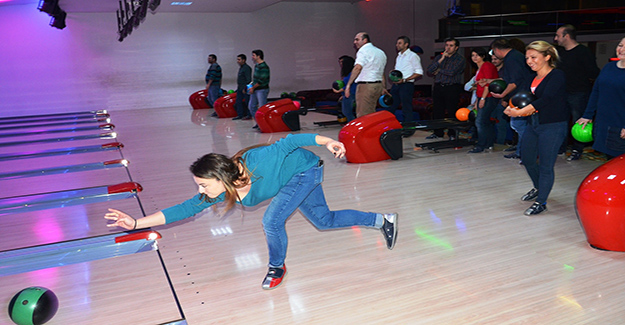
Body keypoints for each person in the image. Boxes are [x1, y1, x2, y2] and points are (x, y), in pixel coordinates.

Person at [104, 133, 399, 290]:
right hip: (293, 180)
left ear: (221, 178)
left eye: (203, 185)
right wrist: (136, 224)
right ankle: (383, 220)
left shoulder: (258, 160)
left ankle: (276, 266)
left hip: (306, 170)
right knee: (324, 220)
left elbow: (293, 141)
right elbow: (184, 209)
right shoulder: (221, 190)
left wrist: (329, 142)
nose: (201, 191)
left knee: (272, 220)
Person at [504, 41, 567, 215]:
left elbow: (545, 99)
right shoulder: (534, 78)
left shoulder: (557, 75)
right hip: (535, 124)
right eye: (527, 58)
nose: (529, 61)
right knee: (528, 158)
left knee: (546, 165)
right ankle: (539, 188)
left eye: (533, 57)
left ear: (547, 57)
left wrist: (521, 112)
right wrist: (513, 108)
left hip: (553, 126)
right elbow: (527, 100)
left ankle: (541, 202)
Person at [554, 24, 601, 161]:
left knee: (578, 121)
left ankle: (577, 149)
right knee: (561, 121)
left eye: (558, 35)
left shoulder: (583, 52)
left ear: (566, 36)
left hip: (579, 93)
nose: (555, 38)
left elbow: (593, 72)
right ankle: (560, 148)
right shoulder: (560, 53)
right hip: (562, 93)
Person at [576, 36, 625, 159]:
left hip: (620, 125)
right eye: (620, 45)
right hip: (604, 123)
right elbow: (596, 91)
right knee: (609, 160)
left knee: (618, 162)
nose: (622, 49)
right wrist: (587, 115)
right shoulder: (609, 67)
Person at [490, 38, 532, 160]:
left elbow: (514, 81)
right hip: (521, 95)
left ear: (496, 50)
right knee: (518, 125)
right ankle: (521, 151)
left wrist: (503, 95)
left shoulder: (512, 59)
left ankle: (524, 152)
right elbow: (510, 79)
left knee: (519, 125)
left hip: (521, 97)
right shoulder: (514, 56)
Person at [426, 37, 466, 139]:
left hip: (452, 87)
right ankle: (437, 132)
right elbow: (430, 70)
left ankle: (452, 133)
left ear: (456, 47)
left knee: (452, 111)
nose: (448, 48)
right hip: (439, 86)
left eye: (451, 46)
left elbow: (452, 72)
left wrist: (438, 70)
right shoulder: (439, 57)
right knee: (437, 111)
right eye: (447, 45)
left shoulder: (460, 59)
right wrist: (441, 60)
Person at [344, 32, 388, 118]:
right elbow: (381, 72)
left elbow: (357, 68)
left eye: (357, 39)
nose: (354, 42)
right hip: (377, 86)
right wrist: (383, 87)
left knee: (363, 115)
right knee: (371, 113)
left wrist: (348, 85)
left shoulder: (363, 51)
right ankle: (374, 131)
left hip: (366, 86)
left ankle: (368, 132)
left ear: (365, 40)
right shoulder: (380, 52)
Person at [468, 47, 499, 153]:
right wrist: (477, 101)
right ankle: (488, 144)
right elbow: (480, 86)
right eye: (473, 55)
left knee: (480, 122)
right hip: (483, 97)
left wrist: (483, 99)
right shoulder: (479, 68)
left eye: (477, 55)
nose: (474, 57)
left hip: (488, 97)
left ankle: (481, 145)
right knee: (485, 122)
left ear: (483, 56)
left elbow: (488, 84)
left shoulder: (487, 66)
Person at [387, 36, 423, 123]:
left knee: (406, 108)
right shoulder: (398, 56)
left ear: (406, 44)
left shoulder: (413, 56)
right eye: (397, 43)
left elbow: (419, 72)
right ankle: (389, 126)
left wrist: (405, 80)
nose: (397, 45)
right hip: (396, 85)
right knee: (391, 106)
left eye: (399, 43)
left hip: (406, 85)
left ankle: (408, 130)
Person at [490, 54, 511, 145]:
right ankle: (492, 142)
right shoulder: (491, 70)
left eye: (496, 59)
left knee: (501, 124)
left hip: (501, 101)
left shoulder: (506, 72)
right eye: (492, 59)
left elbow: (511, 86)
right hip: (491, 100)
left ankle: (500, 143)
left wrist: (506, 100)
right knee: (490, 122)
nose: (494, 61)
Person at [248, 49, 270, 129]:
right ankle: (259, 123)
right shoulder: (257, 66)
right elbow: (255, 79)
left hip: (262, 90)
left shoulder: (264, 67)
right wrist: (250, 86)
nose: (252, 57)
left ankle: (264, 124)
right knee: (251, 106)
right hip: (255, 89)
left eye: (253, 55)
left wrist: (253, 87)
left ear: (258, 56)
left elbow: (261, 80)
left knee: (262, 108)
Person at [333, 55, 358, 122]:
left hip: (351, 94)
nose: (340, 64)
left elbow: (350, 85)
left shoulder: (352, 73)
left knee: (347, 112)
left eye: (342, 62)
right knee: (346, 112)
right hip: (348, 95)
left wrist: (338, 91)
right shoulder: (347, 73)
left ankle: (353, 125)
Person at [233, 54, 253, 120]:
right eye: (237, 59)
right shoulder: (241, 68)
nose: (237, 61)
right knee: (238, 102)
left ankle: (248, 115)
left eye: (239, 59)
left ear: (243, 60)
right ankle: (240, 115)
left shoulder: (247, 68)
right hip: (240, 88)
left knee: (247, 102)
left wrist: (246, 88)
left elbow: (249, 80)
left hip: (245, 88)